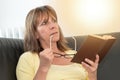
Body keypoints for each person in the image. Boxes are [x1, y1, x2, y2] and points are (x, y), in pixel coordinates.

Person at [16, 5, 99, 80]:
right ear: (35, 34)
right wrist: (43, 68)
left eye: (54, 21)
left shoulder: (75, 54)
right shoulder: (27, 59)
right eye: (44, 23)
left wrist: (92, 75)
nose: (53, 26)